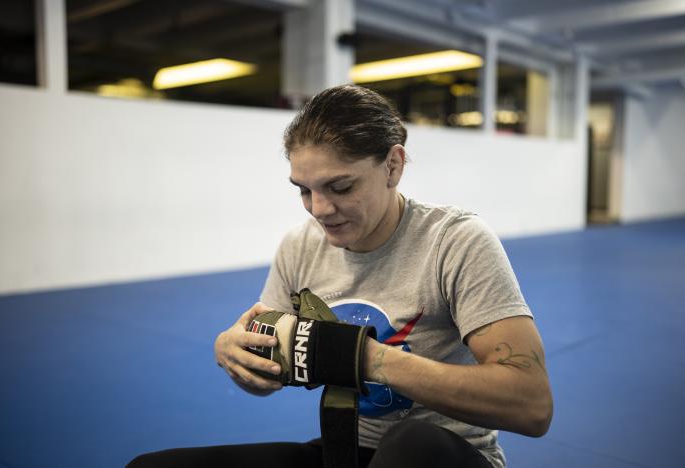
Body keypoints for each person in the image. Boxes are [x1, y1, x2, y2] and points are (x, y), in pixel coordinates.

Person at [128, 84, 553, 468]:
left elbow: (532, 405)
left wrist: (366, 358)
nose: (318, 209)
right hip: (346, 453)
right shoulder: (300, 246)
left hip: (447, 456)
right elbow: (271, 374)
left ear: (393, 166)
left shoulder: (454, 242)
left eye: (341, 187)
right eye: (303, 190)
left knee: (411, 444)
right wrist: (237, 356)